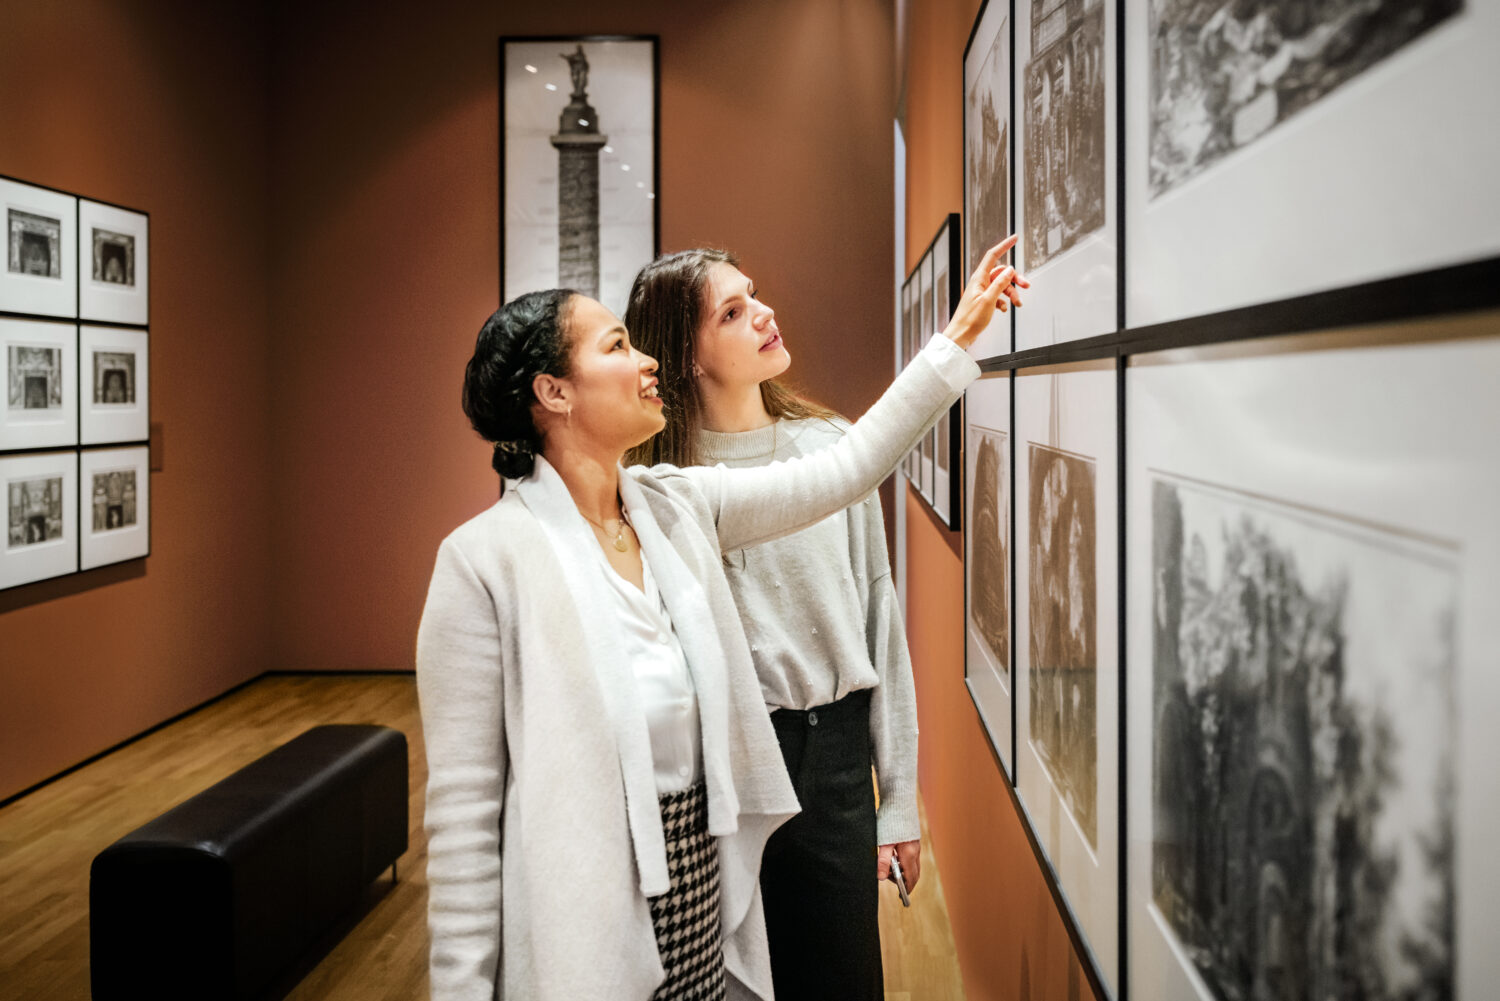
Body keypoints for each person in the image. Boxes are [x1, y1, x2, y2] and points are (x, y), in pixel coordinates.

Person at [416, 240, 1023, 1001]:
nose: (647, 363)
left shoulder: (673, 506)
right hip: (589, 907)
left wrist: (957, 338)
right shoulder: (482, 563)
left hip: (703, 893)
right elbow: (466, 821)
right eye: (617, 346)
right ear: (554, 392)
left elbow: (848, 466)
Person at [622, 244, 1025, 998]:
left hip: (835, 757)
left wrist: (897, 798)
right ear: (687, 354)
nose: (764, 313)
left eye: (755, 293)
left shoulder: (827, 444)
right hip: (728, 766)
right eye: (733, 312)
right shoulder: (660, 491)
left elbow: (881, 618)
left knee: (842, 979)